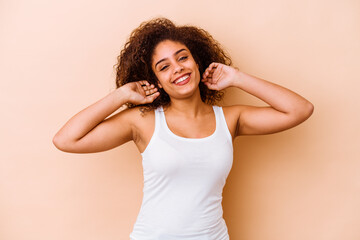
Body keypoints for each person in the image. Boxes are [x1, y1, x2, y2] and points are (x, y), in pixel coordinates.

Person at [53, 18, 314, 240]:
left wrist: (237, 78)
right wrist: (121, 96)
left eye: (183, 58)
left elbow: (299, 109)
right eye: (164, 66)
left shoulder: (231, 119)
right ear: (157, 80)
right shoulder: (142, 121)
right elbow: (66, 140)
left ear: (197, 61)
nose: (177, 68)